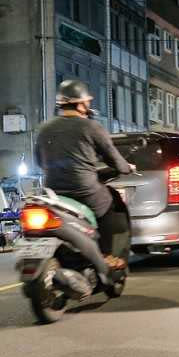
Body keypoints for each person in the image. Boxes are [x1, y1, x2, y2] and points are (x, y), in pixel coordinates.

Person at [34, 79, 134, 268]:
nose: (88, 105)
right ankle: (107, 254)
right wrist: (127, 167)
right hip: (84, 191)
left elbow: (38, 161)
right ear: (80, 104)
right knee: (111, 205)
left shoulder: (44, 129)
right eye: (87, 101)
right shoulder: (91, 127)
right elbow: (113, 158)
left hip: (53, 192)